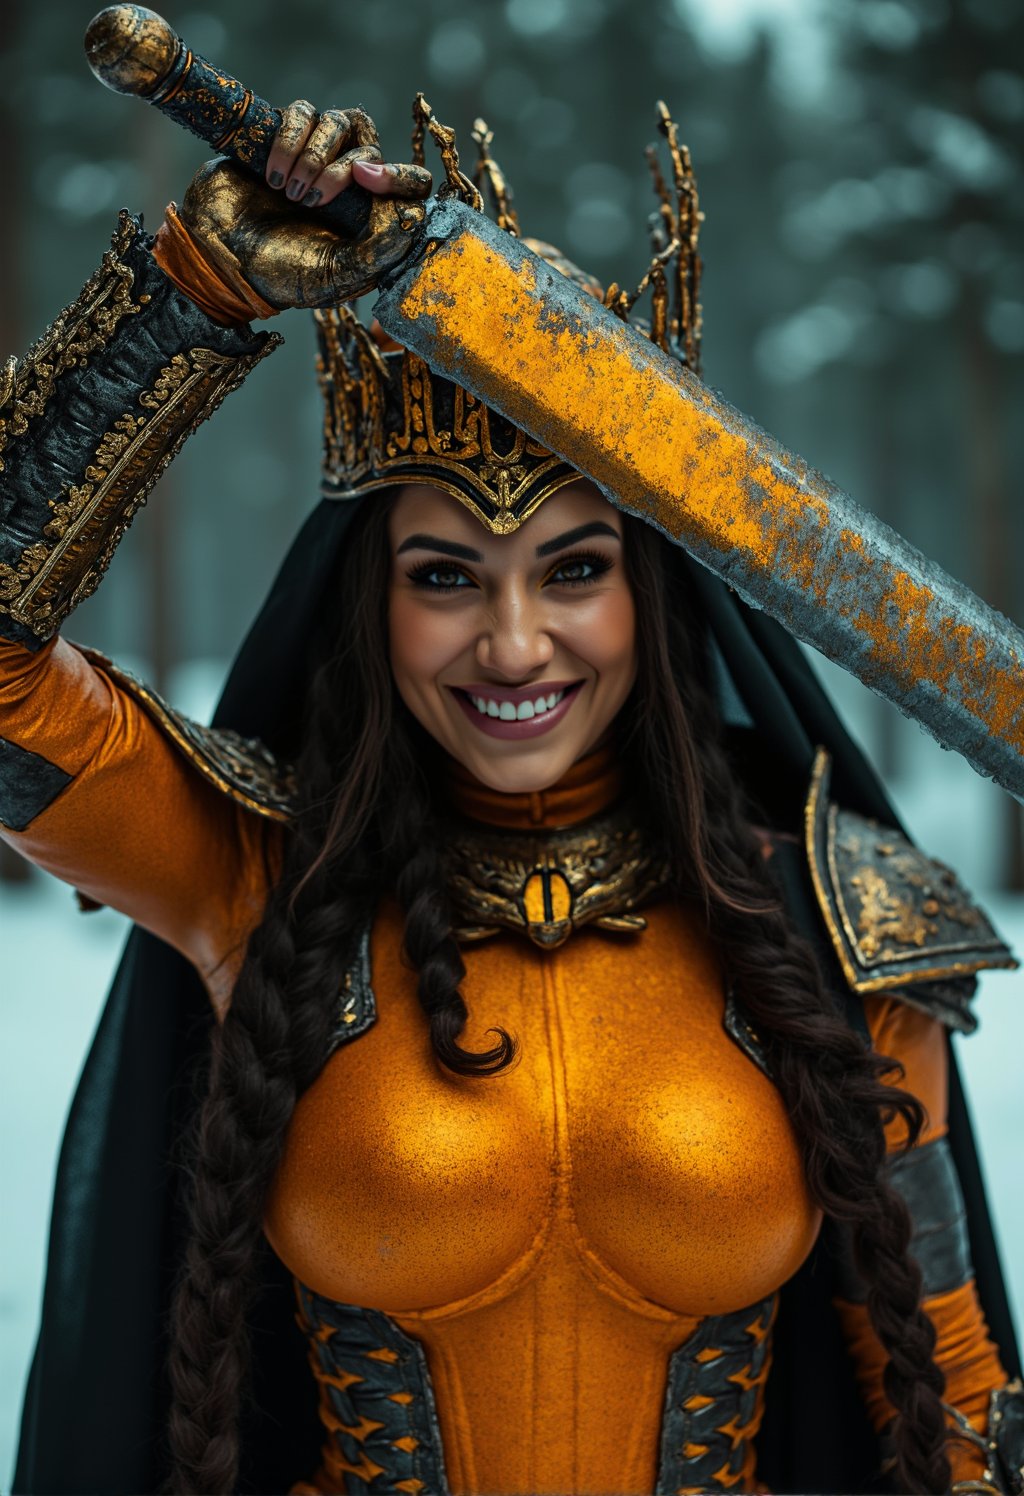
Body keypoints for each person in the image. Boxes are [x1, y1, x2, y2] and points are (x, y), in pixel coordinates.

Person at [2, 98, 1021, 1496]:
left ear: (656, 596)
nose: (517, 644)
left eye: (575, 569)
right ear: (367, 608)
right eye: (444, 578)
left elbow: (960, 1412)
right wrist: (191, 291)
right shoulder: (252, 873)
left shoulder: (838, 924)